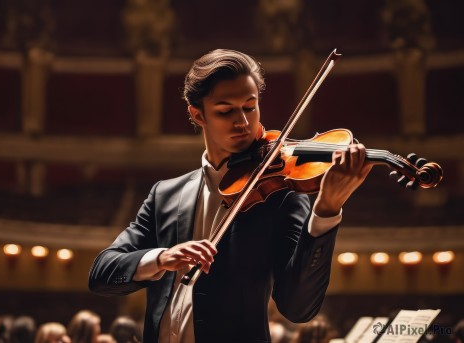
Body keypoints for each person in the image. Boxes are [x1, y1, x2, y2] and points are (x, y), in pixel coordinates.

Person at [88, 49, 372, 343]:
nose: (244, 122)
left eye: (250, 107)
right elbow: (102, 273)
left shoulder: (280, 194)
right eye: (226, 111)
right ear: (198, 115)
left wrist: (326, 210)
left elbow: (298, 308)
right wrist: (162, 257)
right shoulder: (166, 194)